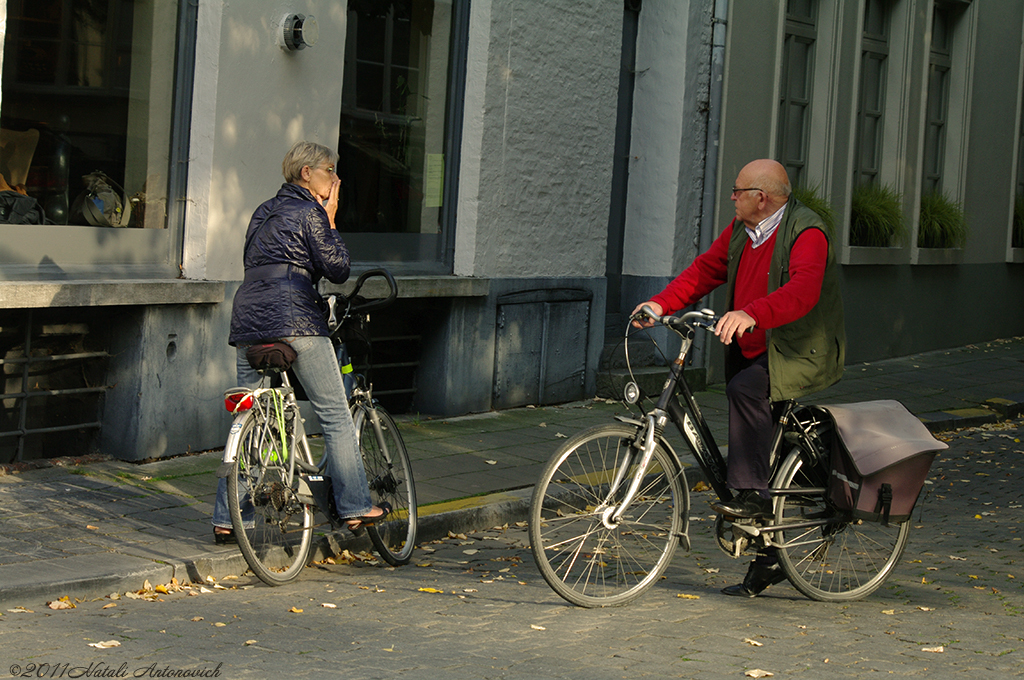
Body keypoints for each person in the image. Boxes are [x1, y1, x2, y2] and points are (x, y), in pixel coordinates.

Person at [632, 159, 845, 597]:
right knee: (753, 421)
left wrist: (752, 313)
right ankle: (769, 555)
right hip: (753, 344)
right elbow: (704, 272)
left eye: (737, 190)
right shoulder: (741, 233)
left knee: (745, 389)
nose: (731, 197)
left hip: (797, 349)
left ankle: (749, 494)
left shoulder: (807, 233)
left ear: (761, 198)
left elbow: (803, 291)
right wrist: (659, 304)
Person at [212, 140, 387, 543]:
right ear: (306, 173)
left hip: (248, 320)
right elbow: (338, 268)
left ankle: (227, 519)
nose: (336, 179)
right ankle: (357, 505)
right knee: (335, 415)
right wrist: (332, 219)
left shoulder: (262, 211)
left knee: (252, 420)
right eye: (330, 170)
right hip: (294, 318)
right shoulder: (311, 211)